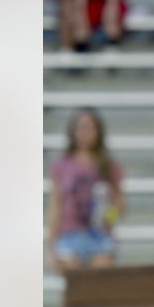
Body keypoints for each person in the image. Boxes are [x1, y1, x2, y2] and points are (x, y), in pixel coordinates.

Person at [47, 109, 126, 271]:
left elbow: (120, 207)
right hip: (69, 235)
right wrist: (50, 245)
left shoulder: (109, 166)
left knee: (98, 289)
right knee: (73, 289)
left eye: (90, 128)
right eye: (81, 127)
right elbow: (56, 206)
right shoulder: (62, 166)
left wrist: (108, 214)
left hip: (100, 237)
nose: (85, 133)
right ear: (73, 131)